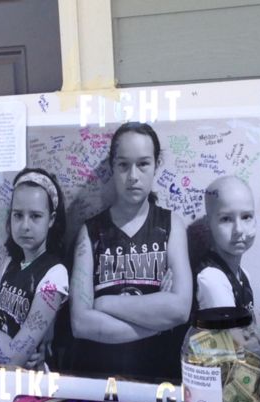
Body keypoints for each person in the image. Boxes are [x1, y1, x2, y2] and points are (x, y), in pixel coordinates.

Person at [69, 121, 192, 381]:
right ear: (112, 168)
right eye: (123, 165)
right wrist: (157, 322)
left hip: (160, 379)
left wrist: (105, 303)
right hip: (99, 377)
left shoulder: (172, 225)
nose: (133, 176)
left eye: (143, 164)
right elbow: (81, 324)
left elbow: (180, 309)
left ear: (156, 165)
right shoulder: (89, 233)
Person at [0, 168, 69, 370]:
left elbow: (14, 358)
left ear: (51, 219)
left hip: (32, 388)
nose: (25, 225)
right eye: (18, 215)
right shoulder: (10, 263)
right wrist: (6, 349)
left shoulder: (55, 274)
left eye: (35, 216)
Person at [193, 176, 256, 313]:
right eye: (226, 219)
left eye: (246, 217)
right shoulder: (212, 279)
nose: (238, 230)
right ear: (209, 224)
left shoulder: (243, 274)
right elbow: (231, 333)